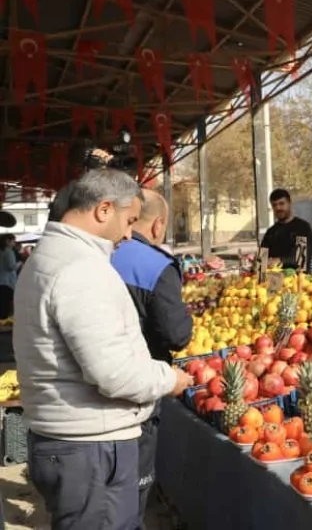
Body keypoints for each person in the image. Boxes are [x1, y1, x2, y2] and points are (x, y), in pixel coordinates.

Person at [12, 169, 193, 530]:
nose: (129, 234)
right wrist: (168, 378)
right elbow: (114, 374)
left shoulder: (48, 257)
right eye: (127, 222)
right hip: (92, 449)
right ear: (103, 209)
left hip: (70, 442)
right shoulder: (80, 269)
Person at [111, 188, 193, 528]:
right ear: (158, 225)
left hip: (91, 393)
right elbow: (176, 335)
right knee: (133, 491)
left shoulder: (100, 255)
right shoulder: (156, 266)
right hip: (138, 391)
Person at [260, 188, 312, 272]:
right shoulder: (271, 232)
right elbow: (261, 261)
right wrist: (257, 264)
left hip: (298, 281)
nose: (278, 208)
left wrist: (280, 260)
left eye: (281, 203)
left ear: (290, 203)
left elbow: (301, 259)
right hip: (273, 282)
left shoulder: (302, 227)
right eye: (274, 205)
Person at [0, 234, 17, 318]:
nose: (14, 244)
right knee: (6, 306)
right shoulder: (9, 251)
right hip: (7, 282)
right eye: (13, 241)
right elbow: (11, 267)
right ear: (7, 241)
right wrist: (19, 264)